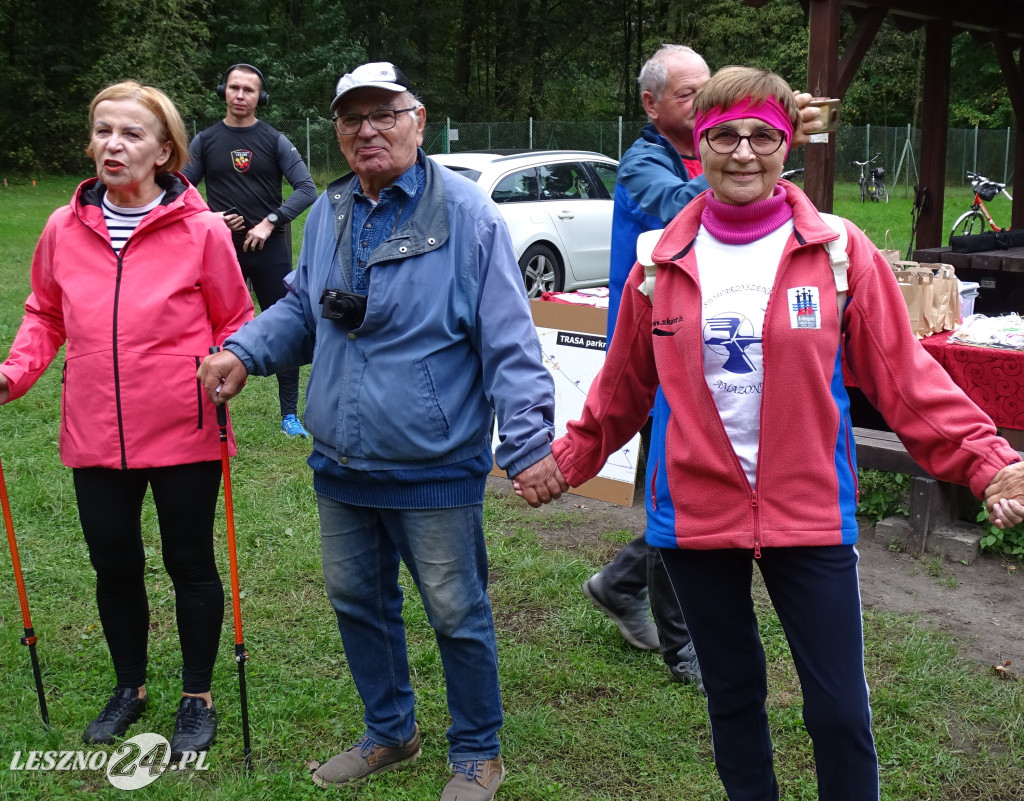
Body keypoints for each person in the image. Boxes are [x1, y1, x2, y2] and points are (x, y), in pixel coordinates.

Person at [548, 65, 1024, 801]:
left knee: (838, 709)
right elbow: (621, 388)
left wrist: (986, 460)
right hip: (699, 516)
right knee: (731, 697)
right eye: (725, 136)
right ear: (698, 147)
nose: (744, 153)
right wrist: (568, 459)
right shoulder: (659, 259)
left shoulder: (838, 250)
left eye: (762, 135)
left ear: (786, 143)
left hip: (808, 512)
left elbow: (906, 380)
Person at [197, 61, 566, 801]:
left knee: (457, 612)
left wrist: (527, 444)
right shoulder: (330, 212)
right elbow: (303, 307)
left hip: (434, 463)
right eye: (351, 118)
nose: (367, 130)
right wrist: (245, 348)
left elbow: (509, 340)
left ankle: (478, 751)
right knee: (357, 601)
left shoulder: (466, 216)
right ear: (337, 130)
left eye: (384, 114)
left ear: (418, 120)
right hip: (340, 461)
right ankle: (390, 729)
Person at [0, 81, 254, 758]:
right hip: (94, 431)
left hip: (183, 425)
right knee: (113, 566)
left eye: (132, 133)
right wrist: (13, 373)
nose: (113, 144)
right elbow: (44, 312)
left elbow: (237, 319)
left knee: (189, 562)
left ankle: (196, 693)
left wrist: (233, 359)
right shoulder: (63, 225)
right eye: (103, 130)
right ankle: (131, 684)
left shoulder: (200, 229)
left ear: (165, 150)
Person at [582, 45, 712, 690]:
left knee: (691, 484)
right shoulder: (643, 164)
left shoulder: (703, 152)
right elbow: (679, 212)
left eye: (709, 90)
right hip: (653, 350)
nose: (703, 103)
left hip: (709, 342)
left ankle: (620, 580)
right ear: (651, 104)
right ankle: (684, 646)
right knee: (674, 489)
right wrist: (753, 147)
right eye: (689, 95)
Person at [183, 63, 318, 438]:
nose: (241, 96)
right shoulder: (206, 141)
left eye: (249, 90)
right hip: (222, 252)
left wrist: (270, 220)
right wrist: (211, 218)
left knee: (285, 328)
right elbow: (179, 192)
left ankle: (289, 415)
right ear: (224, 91)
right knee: (206, 326)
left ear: (261, 97)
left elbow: (307, 188)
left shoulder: (274, 139)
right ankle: (209, 404)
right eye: (235, 88)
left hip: (269, 249)